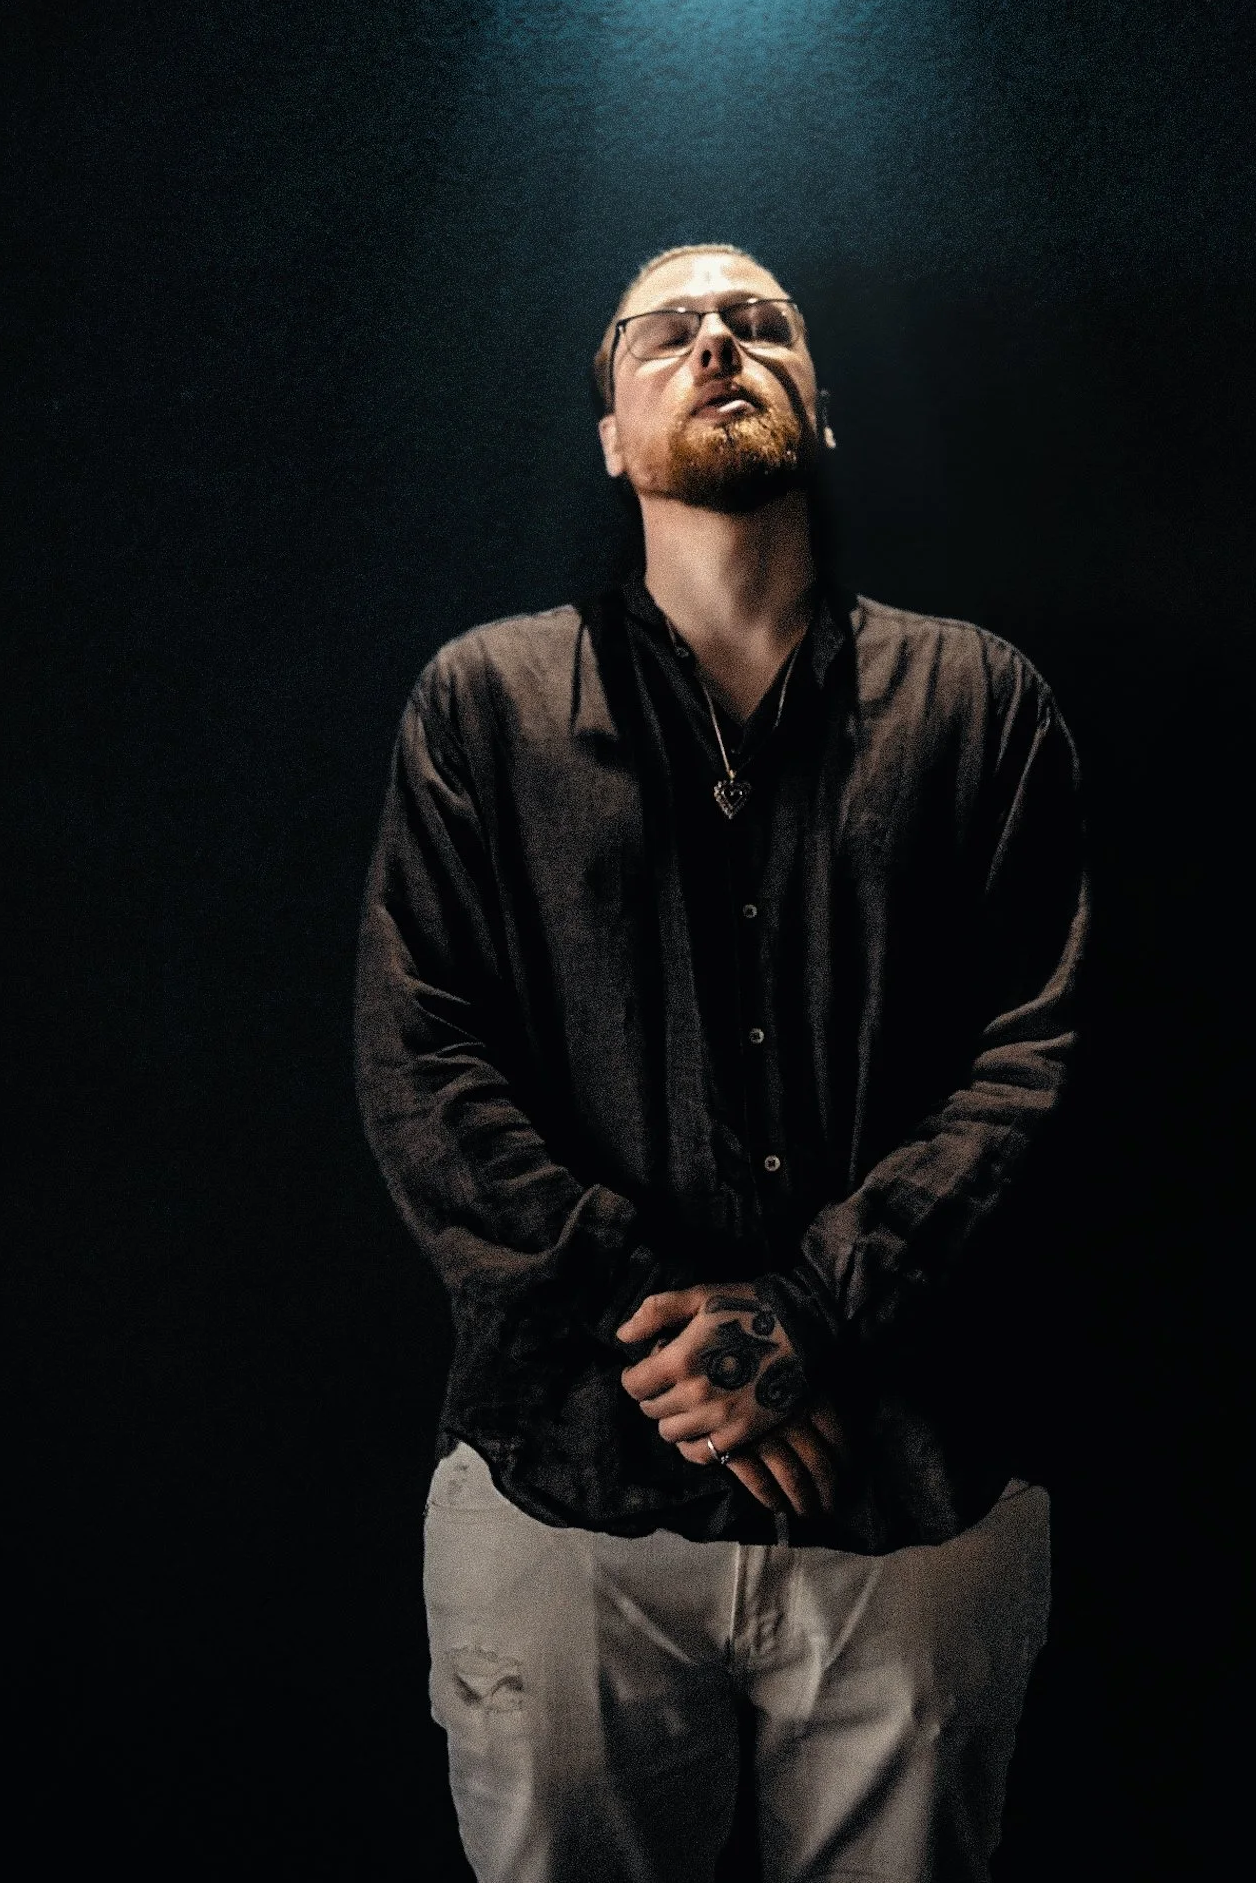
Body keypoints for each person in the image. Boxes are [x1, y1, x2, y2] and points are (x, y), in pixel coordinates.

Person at [356, 243, 1089, 1883]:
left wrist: (814, 1313)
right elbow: (426, 1063)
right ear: (611, 430)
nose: (717, 341)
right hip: (568, 1504)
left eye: (760, 324)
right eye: (667, 330)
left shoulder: (984, 709)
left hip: (913, 1504)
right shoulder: (482, 708)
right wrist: (686, 1342)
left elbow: (1035, 1056)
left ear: (817, 410)